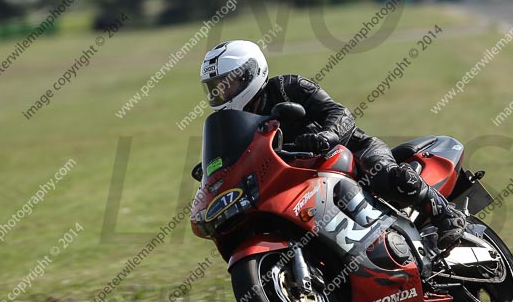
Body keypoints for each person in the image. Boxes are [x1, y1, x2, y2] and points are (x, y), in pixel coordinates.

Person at [199, 40, 466, 248]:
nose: (222, 92)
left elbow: (340, 113)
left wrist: (327, 135)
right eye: (214, 87)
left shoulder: (287, 87)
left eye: (227, 83)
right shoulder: (234, 122)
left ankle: (446, 215)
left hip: (351, 151)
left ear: (250, 73)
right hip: (304, 178)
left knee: (386, 176)